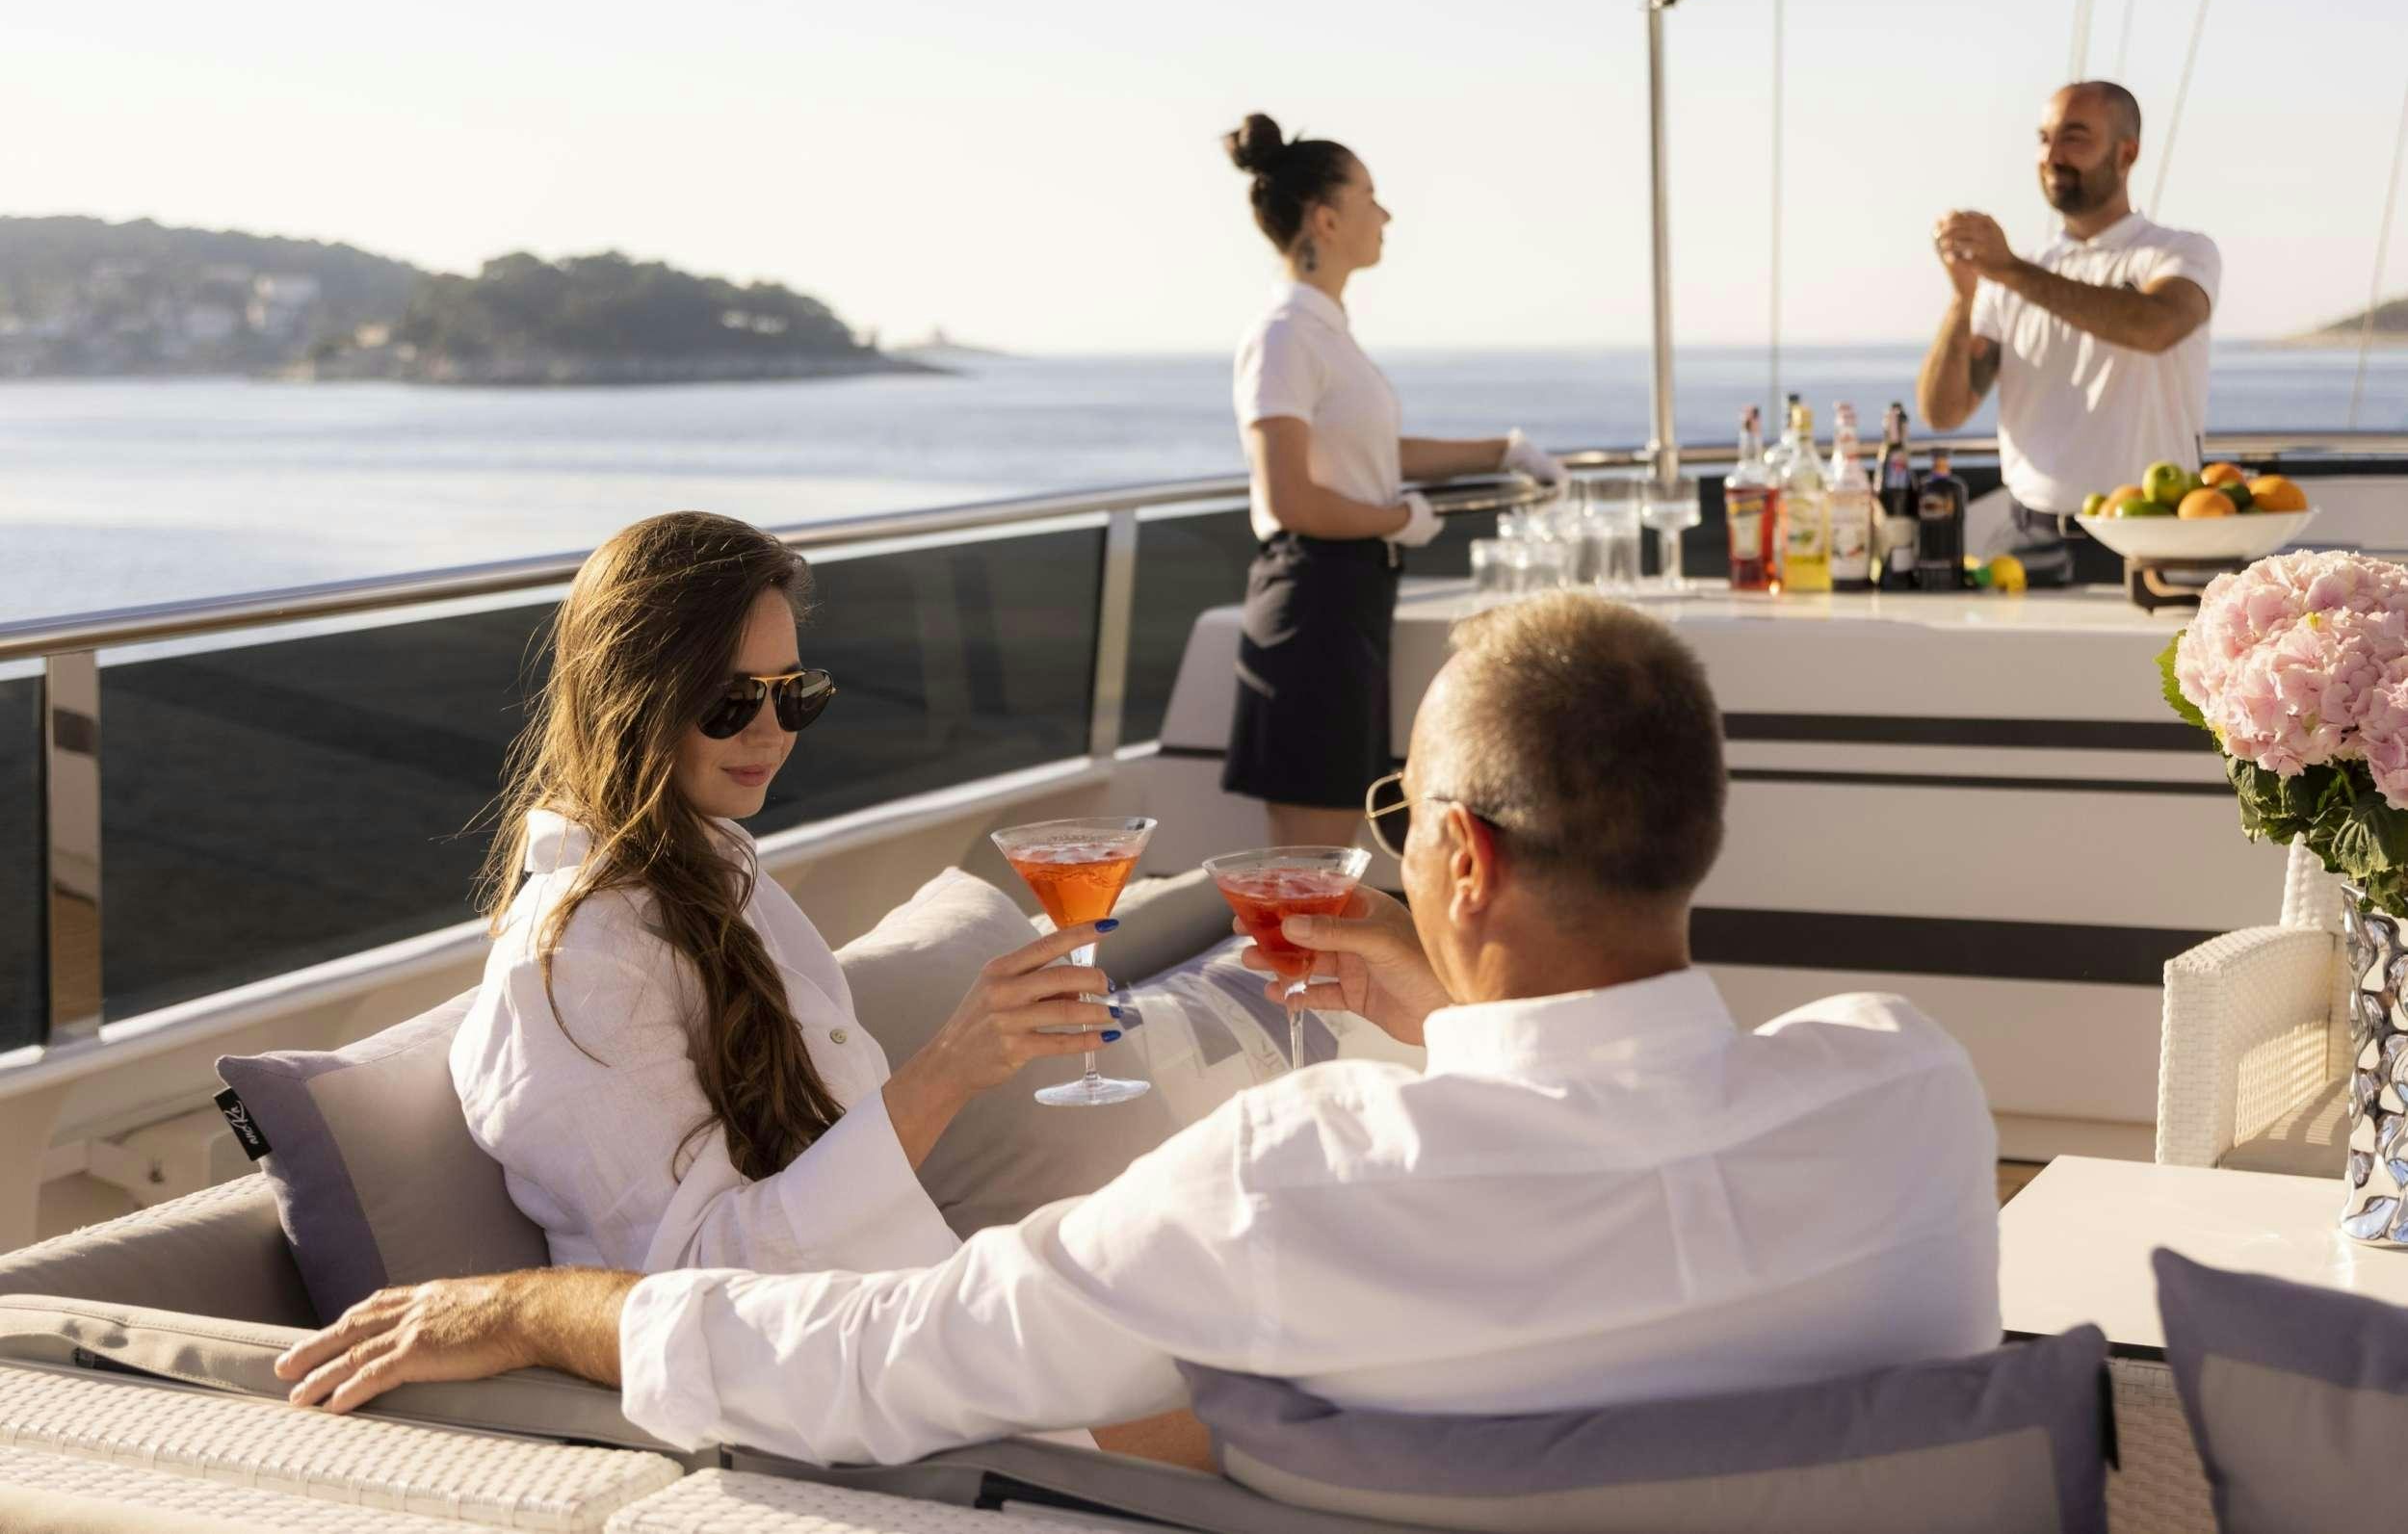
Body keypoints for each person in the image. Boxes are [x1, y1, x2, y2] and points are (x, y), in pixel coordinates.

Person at [280, 593, 2001, 1468]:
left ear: (1461, 860)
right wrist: (1453, 1016)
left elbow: (866, 1360)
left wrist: (528, 1301)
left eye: (1405, 818)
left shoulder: (1292, 1185)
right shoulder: (1910, 1093)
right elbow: (1621, 1145)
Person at [449, 511, 1123, 1280]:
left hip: (912, 1300)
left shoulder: (724, 878)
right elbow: (698, 1269)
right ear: (629, 701)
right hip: (834, 1342)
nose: (772, 733)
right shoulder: (579, 959)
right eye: (730, 699)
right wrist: (947, 1070)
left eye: (792, 693)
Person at [1220, 113, 1563, 848]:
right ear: (1325, 218)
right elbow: (1290, 499)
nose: (1386, 215)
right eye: (1370, 196)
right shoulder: (1283, 335)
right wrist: (1398, 520)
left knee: (1328, 851)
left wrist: (1502, 451)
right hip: (1314, 602)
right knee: (1312, 860)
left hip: (1348, 600)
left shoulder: (1322, 333)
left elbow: (1375, 454)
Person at [1916, 81, 2221, 585]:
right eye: (2044, 138)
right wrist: (1964, 297)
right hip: (2026, 541)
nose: (2052, 156)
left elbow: (2157, 326)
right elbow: (1943, 411)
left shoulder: (2179, 253)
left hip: (2152, 542)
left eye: (2074, 138)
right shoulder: (2012, 275)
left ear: (2126, 153)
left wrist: (2009, 270)